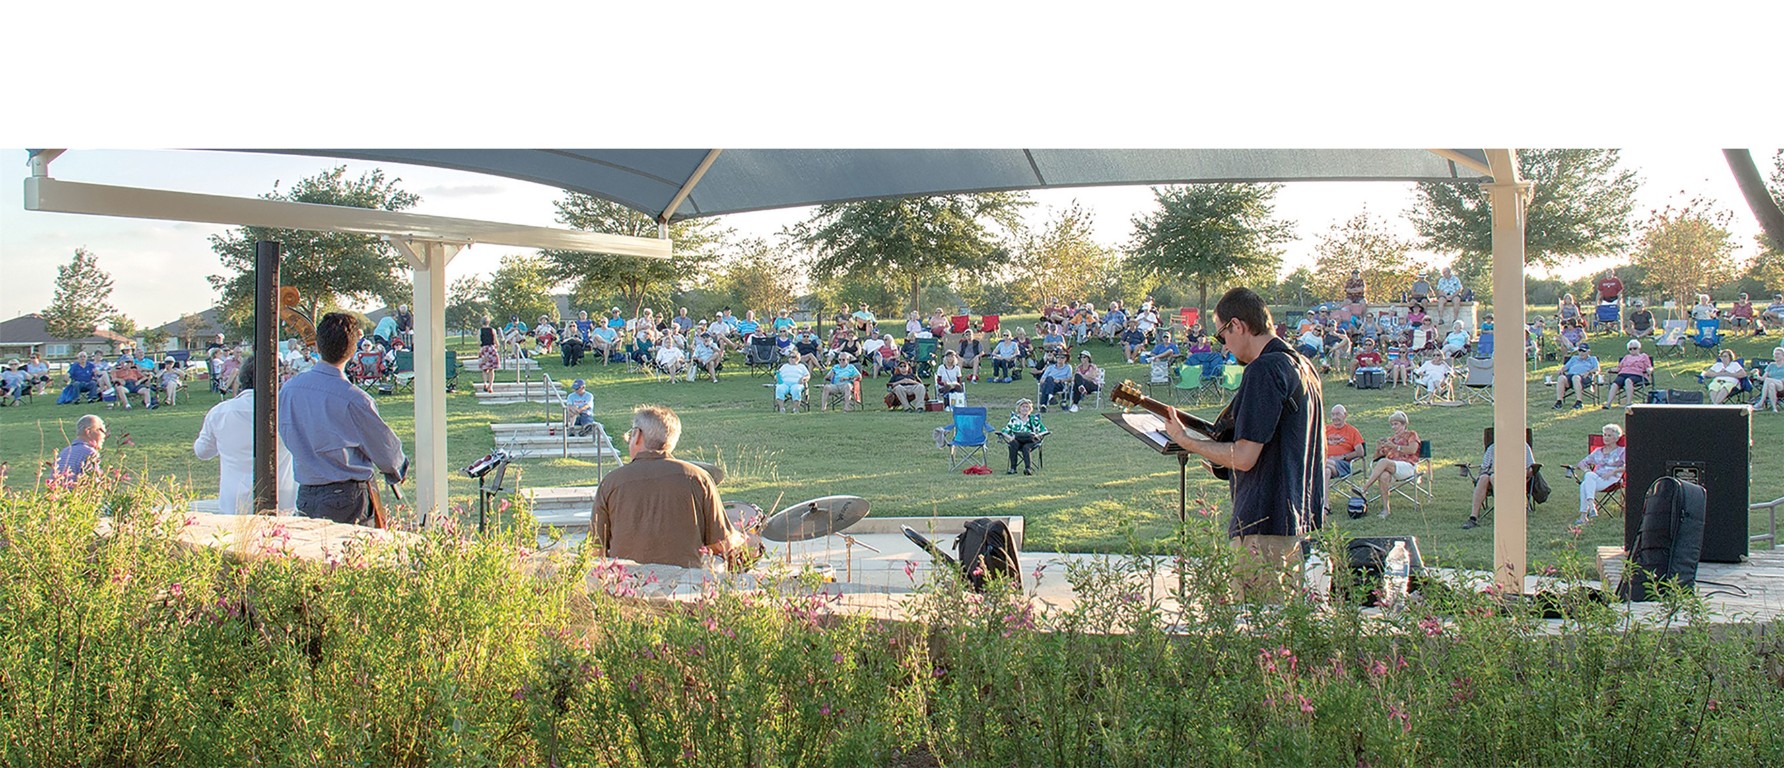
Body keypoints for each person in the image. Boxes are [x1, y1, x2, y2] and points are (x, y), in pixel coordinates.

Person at [1160, 287, 1324, 603]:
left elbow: (1246, 456)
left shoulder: (1264, 369)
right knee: (1283, 624)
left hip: (1262, 523)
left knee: (1256, 622)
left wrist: (1185, 440)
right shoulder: (1302, 365)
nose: (1224, 346)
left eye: (1222, 335)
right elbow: (1277, 447)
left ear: (1237, 325)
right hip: (1293, 520)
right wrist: (1221, 461)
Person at [277, 312, 408, 527]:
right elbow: (386, 451)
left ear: (318, 346)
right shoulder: (354, 399)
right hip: (346, 496)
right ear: (353, 350)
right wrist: (398, 468)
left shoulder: (289, 389)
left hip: (306, 493)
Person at [594, 405, 751, 569]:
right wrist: (744, 538)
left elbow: (595, 549)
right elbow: (721, 544)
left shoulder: (611, 482)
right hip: (685, 582)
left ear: (638, 435)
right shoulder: (698, 478)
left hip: (627, 580)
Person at [193, 356, 297, 514]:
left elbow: (203, 451)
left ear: (241, 379)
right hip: (282, 498)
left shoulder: (220, 412)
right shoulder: (289, 411)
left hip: (235, 500)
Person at [1354, 410, 1419, 519]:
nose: (1393, 427)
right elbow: (1376, 458)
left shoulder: (1411, 435)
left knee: (1384, 462)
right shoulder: (1391, 439)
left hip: (1408, 466)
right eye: (1392, 424)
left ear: (1404, 424)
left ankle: (1364, 488)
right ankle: (1386, 509)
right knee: (1384, 475)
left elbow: (1412, 450)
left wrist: (1395, 447)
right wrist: (1378, 449)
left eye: (1396, 424)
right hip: (1393, 468)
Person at [1461, 438, 1535, 530]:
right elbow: (1484, 468)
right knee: (1484, 478)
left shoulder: (1523, 447)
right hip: (1492, 476)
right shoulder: (1492, 448)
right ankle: (1473, 517)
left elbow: (1531, 469)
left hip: (1514, 478)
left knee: (1493, 477)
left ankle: (1504, 513)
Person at [1574, 423, 1626, 526]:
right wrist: (1586, 470)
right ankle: (1591, 506)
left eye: (1609, 435)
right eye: (1604, 435)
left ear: (1616, 438)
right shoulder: (1598, 451)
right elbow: (1581, 463)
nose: (1605, 437)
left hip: (1611, 478)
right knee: (1588, 477)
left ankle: (1584, 515)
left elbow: (1629, 466)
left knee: (1584, 484)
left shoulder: (1622, 451)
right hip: (1596, 478)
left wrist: (1613, 472)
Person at [52, 414, 106, 484]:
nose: (104, 435)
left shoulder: (64, 452)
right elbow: (92, 483)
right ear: (88, 431)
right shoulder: (89, 453)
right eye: (101, 430)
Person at [1000, 398, 1047, 475]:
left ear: (1030, 409)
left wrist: (1038, 435)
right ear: (1019, 408)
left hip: (1031, 440)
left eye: (1027, 407)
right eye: (1023, 407)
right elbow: (1004, 431)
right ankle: (1013, 468)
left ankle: (1028, 469)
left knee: (1026, 447)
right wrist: (1010, 437)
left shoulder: (1034, 419)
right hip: (1018, 440)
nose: (1025, 409)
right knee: (1013, 443)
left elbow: (1045, 430)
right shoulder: (1014, 419)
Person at [1606, 339, 1653, 408]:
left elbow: (1649, 367)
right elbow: (1619, 368)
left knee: (1628, 381)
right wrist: (1610, 369)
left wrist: (1649, 370)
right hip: (1623, 373)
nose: (1632, 350)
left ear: (1639, 348)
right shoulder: (1626, 357)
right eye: (1630, 349)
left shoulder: (1643, 356)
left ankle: (1628, 403)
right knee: (1615, 383)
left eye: (1634, 348)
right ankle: (1608, 404)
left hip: (1637, 375)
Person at [1323, 404, 1365, 480]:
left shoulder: (1352, 431)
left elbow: (1360, 452)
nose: (1335, 417)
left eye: (1338, 414)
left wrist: (1342, 457)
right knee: (1326, 471)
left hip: (1343, 464)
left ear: (1345, 415)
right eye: (1333, 414)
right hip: (1327, 463)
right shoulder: (1325, 430)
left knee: (1320, 463)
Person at [1554, 344, 1600, 410]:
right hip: (1570, 376)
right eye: (1579, 351)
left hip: (1584, 377)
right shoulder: (1574, 358)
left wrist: (1589, 372)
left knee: (1575, 378)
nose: (1581, 353)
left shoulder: (1593, 359)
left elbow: (1597, 369)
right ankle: (1559, 402)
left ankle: (1579, 402)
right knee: (1561, 378)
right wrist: (1561, 370)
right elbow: (1565, 367)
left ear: (1588, 352)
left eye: (1583, 351)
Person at [1755, 347, 1784, 413]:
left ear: (1783, 355)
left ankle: (1761, 403)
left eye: (1778, 354)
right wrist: (1756, 373)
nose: (1776, 356)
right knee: (1771, 385)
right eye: (1775, 354)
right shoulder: (1771, 365)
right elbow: (1762, 378)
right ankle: (1774, 409)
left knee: (1768, 380)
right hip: (1773, 383)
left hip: (1782, 384)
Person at [477, 316, 499, 393]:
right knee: (491, 369)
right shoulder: (493, 330)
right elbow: (496, 341)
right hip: (491, 349)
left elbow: (478, 342)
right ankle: (490, 385)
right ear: (489, 322)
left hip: (484, 349)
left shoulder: (480, 331)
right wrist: (496, 347)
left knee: (484, 368)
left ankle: (485, 383)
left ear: (481, 322)